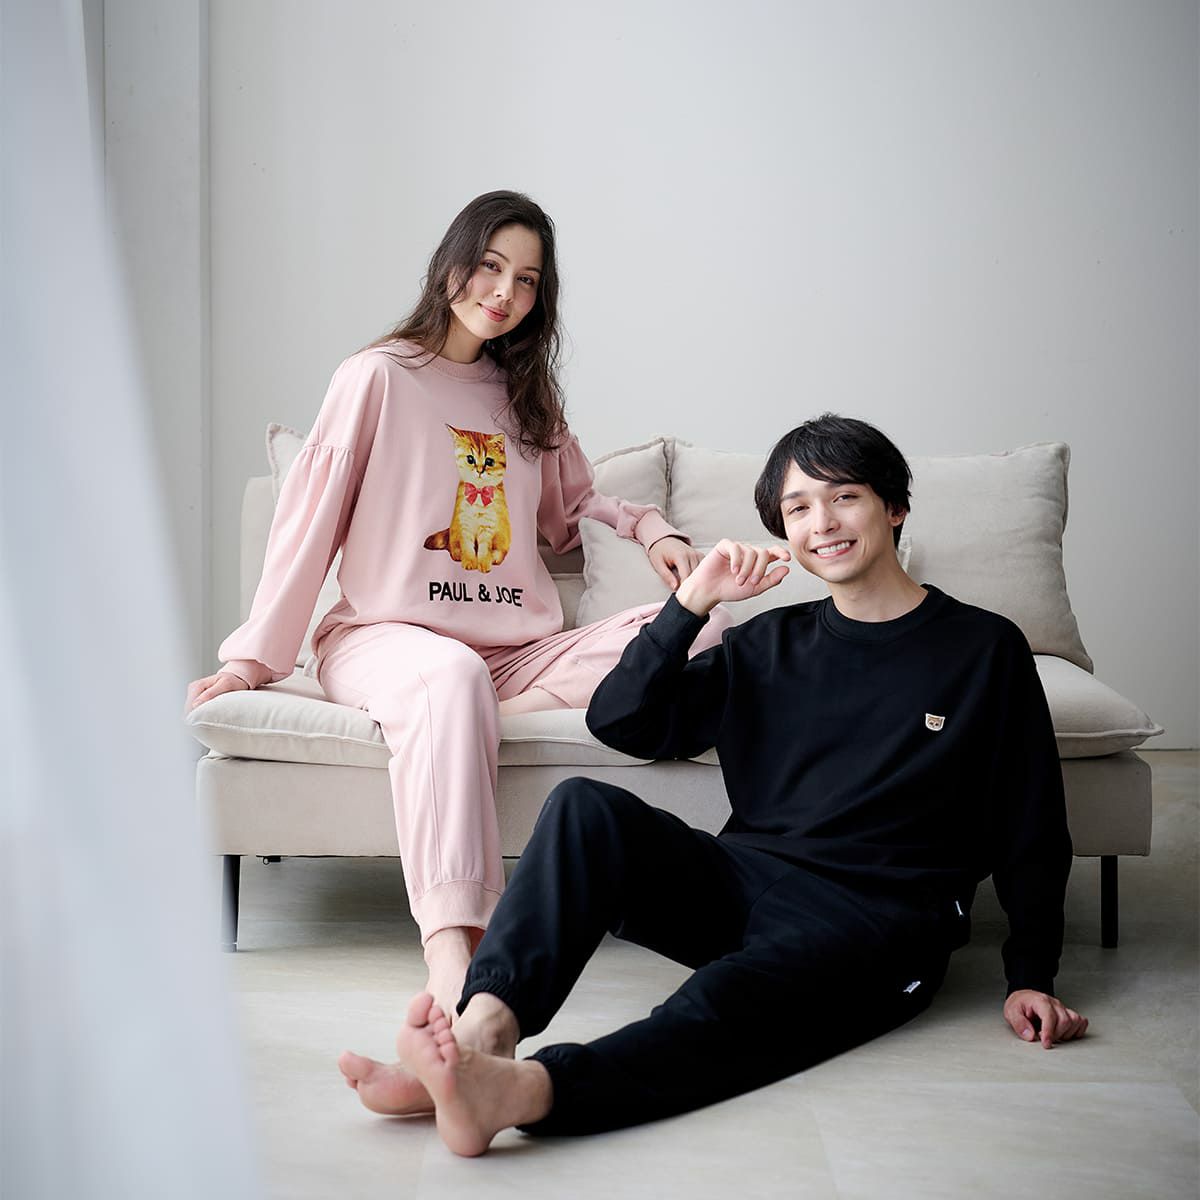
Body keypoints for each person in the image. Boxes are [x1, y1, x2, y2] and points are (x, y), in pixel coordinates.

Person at [336, 413, 1089, 1156]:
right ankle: (479, 1039)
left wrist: (1031, 974)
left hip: (879, 916)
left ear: (893, 507)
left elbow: (1030, 821)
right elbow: (621, 719)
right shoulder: (766, 643)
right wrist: (690, 604)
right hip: (748, 879)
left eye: (844, 497)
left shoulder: (983, 648)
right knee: (582, 810)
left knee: (726, 1001)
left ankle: (523, 1091)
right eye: (799, 508)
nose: (822, 523)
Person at [184, 191, 730, 1017]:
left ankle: (472, 714)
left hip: (512, 656)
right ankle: (454, 951)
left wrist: (652, 530)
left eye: (527, 279)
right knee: (447, 676)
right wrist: (252, 661)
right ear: (452, 265)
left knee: (703, 623)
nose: (504, 292)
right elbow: (309, 519)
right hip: (385, 637)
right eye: (490, 266)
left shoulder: (526, 397)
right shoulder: (377, 376)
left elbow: (575, 508)